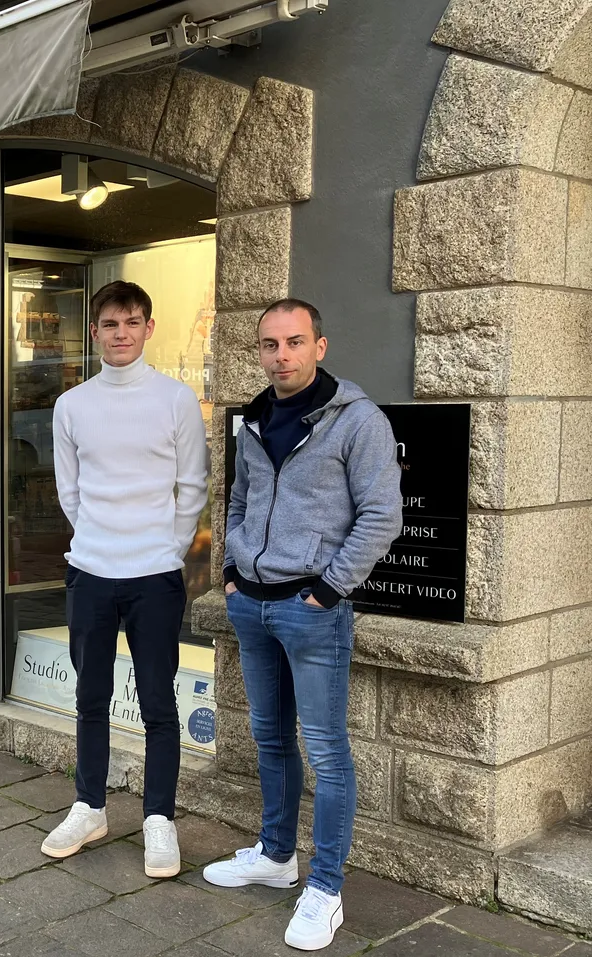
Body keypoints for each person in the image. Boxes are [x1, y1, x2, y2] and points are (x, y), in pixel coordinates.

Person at [203, 299, 402, 951]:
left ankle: (324, 888)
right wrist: (232, 571)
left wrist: (326, 589)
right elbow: (238, 498)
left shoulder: (357, 420)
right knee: (268, 734)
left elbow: (381, 515)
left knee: (325, 748)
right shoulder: (253, 417)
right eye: (269, 344)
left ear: (319, 345)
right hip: (251, 603)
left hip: (311, 610)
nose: (280, 355)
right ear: (258, 351)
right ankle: (276, 853)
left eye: (293, 342)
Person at [43, 280, 208, 878]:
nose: (121, 334)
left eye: (132, 322)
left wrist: (165, 547)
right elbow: (69, 490)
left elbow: (192, 486)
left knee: (159, 704)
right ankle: (89, 806)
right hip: (90, 570)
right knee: (89, 698)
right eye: (111, 324)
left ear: (149, 328)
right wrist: (98, 539)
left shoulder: (176, 399)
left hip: (155, 575)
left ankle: (158, 819)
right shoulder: (72, 406)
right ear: (94, 332)